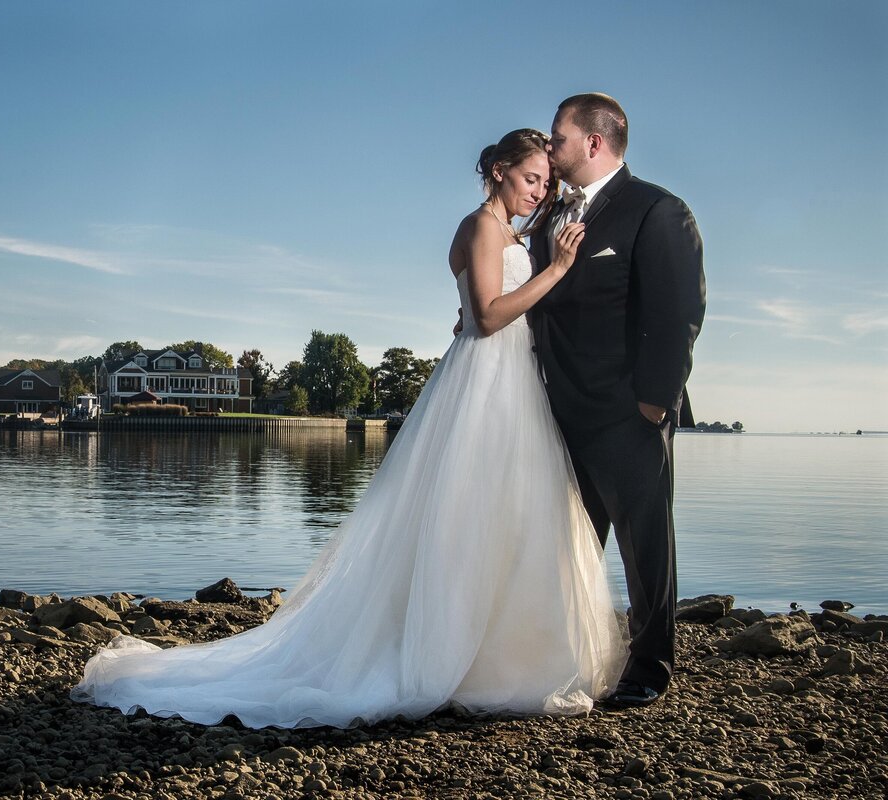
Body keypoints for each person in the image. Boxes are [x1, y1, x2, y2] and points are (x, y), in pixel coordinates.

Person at [70, 129, 626, 728]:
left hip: (507, 378)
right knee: (469, 513)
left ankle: (496, 652)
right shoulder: (483, 226)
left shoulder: (501, 232)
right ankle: (454, 656)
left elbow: (475, 307)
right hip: (488, 376)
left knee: (498, 513)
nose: (540, 192)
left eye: (546, 182)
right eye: (530, 179)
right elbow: (488, 318)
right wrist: (559, 268)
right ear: (496, 170)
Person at [529, 93, 706, 708]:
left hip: (628, 415)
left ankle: (650, 669)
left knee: (645, 544)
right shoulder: (551, 219)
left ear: (595, 143)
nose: (550, 149)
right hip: (555, 413)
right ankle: (567, 655)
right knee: (567, 545)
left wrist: (655, 403)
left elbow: (678, 312)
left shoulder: (657, 210)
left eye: (559, 137)